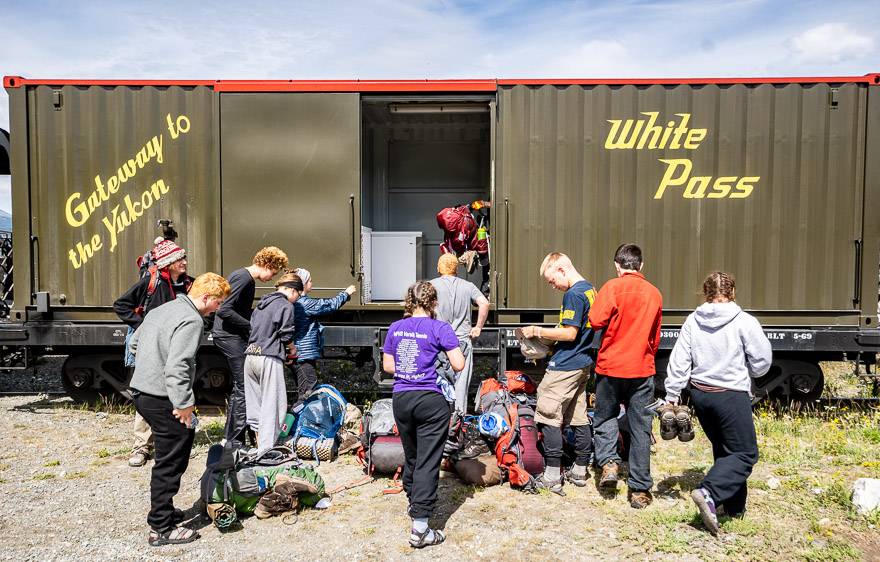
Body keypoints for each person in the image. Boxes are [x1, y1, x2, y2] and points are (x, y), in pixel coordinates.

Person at [664, 272, 772, 534]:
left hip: (701, 394)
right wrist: (751, 371)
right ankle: (709, 492)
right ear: (732, 292)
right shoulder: (745, 321)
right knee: (745, 454)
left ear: (706, 293)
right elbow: (762, 361)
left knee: (725, 451)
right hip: (730, 394)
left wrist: (672, 393)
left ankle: (733, 507)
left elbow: (680, 360)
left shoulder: (693, 320)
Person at [129, 272, 231, 546]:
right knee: (171, 461)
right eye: (218, 302)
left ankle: (164, 512)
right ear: (206, 297)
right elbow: (178, 366)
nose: (218, 308)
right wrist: (184, 404)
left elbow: (134, 343)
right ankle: (161, 528)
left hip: (142, 392)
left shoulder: (163, 309)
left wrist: (152, 365)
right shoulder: (192, 320)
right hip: (164, 398)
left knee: (171, 453)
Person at [382, 281, 465, 548]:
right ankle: (420, 528)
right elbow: (459, 364)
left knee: (414, 455)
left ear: (409, 302)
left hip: (401, 399)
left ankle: (413, 500)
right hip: (430, 400)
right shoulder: (440, 328)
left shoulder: (395, 328)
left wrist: (411, 366)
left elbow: (388, 366)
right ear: (433, 303)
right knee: (429, 461)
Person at [588, 243, 663, 509]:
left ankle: (609, 464)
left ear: (617, 265)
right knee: (641, 427)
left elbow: (595, 320)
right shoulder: (654, 293)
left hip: (610, 367)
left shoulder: (611, 287)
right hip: (641, 369)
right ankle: (640, 490)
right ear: (640, 265)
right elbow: (655, 337)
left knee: (605, 416)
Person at [520, 252, 597, 494]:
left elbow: (570, 333)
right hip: (584, 362)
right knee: (578, 415)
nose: (552, 286)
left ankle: (552, 474)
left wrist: (537, 330)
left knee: (548, 413)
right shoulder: (589, 290)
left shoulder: (573, 294)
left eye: (552, 280)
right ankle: (580, 469)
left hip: (567, 364)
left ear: (562, 270)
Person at [114, 239, 193, 468]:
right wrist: (143, 325)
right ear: (169, 263)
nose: (185, 262)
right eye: (180, 259)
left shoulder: (189, 284)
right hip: (151, 346)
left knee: (172, 390)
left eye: (184, 258)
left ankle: (166, 441)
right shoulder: (152, 281)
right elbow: (121, 305)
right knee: (148, 390)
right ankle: (141, 445)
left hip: (174, 345)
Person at [214, 246, 289, 446]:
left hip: (232, 335)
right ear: (267, 265)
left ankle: (234, 436)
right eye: (273, 272)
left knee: (242, 386)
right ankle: (233, 441)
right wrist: (252, 326)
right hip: (229, 336)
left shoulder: (244, 278)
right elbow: (224, 310)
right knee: (243, 387)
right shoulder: (243, 278)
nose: (272, 277)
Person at [244, 272, 303, 454]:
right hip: (268, 357)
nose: (297, 299)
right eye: (298, 295)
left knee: (255, 405)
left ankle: (257, 444)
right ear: (292, 290)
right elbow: (285, 334)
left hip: (250, 357)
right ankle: (267, 450)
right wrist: (292, 349)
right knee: (273, 404)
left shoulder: (261, 305)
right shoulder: (285, 305)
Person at [429, 253, 489, 414]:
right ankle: (458, 421)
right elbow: (484, 302)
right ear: (456, 269)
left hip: (438, 343)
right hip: (462, 342)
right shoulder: (468, 286)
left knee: (437, 381)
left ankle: (440, 418)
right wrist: (478, 327)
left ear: (438, 268)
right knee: (461, 386)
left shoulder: (431, 286)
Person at [290, 267, 356, 407]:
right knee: (307, 395)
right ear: (303, 284)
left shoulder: (296, 303)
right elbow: (329, 305)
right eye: (310, 280)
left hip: (300, 354)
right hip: (303, 355)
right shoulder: (304, 303)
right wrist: (346, 294)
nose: (312, 283)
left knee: (305, 391)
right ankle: (296, 425)